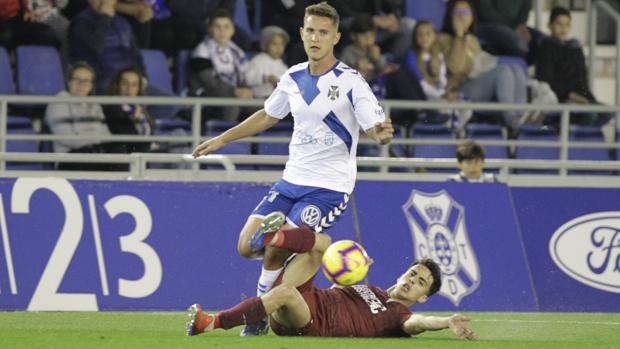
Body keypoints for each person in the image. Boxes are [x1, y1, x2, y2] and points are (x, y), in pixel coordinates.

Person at [191, 1, 394, 336]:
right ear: (301, 33)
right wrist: (222, 139)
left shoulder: (351, 82)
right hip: (290, 181)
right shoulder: (293, 77)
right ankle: (319, 244)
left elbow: (374, 127)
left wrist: (382, 136)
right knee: (246, 247)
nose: (316, 37)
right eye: (311, 30)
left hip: (328, 188)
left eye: (323, 32)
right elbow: (269, 115)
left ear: (336, 37)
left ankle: (256, 315)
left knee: (276, 247)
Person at [186, 220, 477, 340]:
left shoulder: (400, 314)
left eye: (421, 283)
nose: (412, 281)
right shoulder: (370, 288)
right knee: (323, 244)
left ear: (422, 297)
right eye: (413, 273)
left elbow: (418, 324)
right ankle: (277, 235)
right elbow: (334, 279)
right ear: (403, 273)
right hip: (314, 296)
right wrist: (356, 265)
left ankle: (212, 322)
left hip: (313, 322)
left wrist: (445, 320)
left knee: (286, 293)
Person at [438, 0, 527, 132]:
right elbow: (455, 68)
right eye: (457, 12)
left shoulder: (473, 40)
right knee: (502, 71)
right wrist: (459, 37)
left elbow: (479, 67)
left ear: (472, 17)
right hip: (457, 90)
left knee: (516, 68)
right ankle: (511, 119)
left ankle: (520, 116)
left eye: (466, 12)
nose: (462, 16)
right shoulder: (442, 39)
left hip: (476, 84)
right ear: (450, 16)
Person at [535, 6, 612, 127]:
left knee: (608, 112)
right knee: (590, 114)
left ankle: (582, 137)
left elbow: (582, 80)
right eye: (559, 24)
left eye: (567, 25)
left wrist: (589, 99)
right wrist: (569, 95)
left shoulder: (575, 49)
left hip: (579, 99)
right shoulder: (545, 48)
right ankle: (578, 141)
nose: (563, 29)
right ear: (549, 25)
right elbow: (546, 80)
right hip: (559, 98)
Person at [45, 62, 125, 170]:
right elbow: (66, 138)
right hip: (70, 157)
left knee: (120, 151)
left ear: (91, 86)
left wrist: (96, 142)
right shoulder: (58, 101)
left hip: (94, 152)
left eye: (86, 81)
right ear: (69, 82)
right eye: (77, 79)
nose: (81, 84)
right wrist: (95, 138)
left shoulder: (94, 103)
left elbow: (106, 135)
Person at [189, 8, 253, 122]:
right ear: (210, 29)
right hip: (208, 94)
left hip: (234, 93)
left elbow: (242, 77)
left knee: (266, 106)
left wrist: (246, 90)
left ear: (233, 30)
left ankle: (265, 139)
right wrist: (234, 91)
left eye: (226, 27)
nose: (222, 31)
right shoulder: (200, 52)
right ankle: (226, 139)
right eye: (217, 26)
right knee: (232, 105)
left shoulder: (237, 52)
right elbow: (210, 83)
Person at [68, 0, 144, 93]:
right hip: (102, 80)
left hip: (129, 80)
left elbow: (136, 55)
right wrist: (105, 18)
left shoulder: (122, 22)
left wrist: (143, 77)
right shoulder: (81, 22)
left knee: (162, 101)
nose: (105, 1)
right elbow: (96, 47)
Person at [472, 0, 543, 64]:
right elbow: (485, 12)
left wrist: (520, 25)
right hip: (486, 24)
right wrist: (513, 27)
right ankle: (510, 70)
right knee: (519, 44)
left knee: (544, 41)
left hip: (513, 25)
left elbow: (525, 7)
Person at [103, 66, 154, 153]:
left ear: (139, 88)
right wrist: (134, 120)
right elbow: (127, 139)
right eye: (124, 83)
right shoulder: (112, 107)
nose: (129, 89)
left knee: (179, 134)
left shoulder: (139, 107)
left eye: (134, 85)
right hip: (134, 153)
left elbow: (151, 132)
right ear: (117, 85)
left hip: (148, 150)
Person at [245, 26, 290, 99]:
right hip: (258, 98)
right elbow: (248, 79)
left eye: (281, 44)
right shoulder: (257, 61)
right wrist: (266, 78)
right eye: (274, 44)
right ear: (264, 45)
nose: (279, 48)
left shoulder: (281, 64)